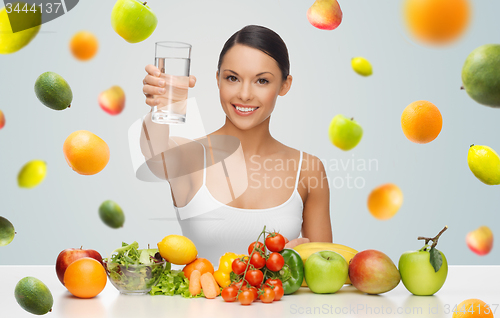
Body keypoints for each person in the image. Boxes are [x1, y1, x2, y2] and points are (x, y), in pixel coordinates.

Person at [140, 25, 332, 265]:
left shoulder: (309, 169)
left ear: (284, 85)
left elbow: (325, 271)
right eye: (232, 78)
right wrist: (159, 105)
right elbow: (153, 150)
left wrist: (289, 263)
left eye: (262, 81)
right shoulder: (189, 158)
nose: (244, 94)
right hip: (197, 302)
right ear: (218, 79)